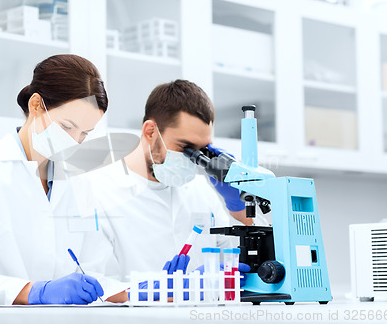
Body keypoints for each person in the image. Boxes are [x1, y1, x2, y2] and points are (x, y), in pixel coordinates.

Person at [0, 54, 125, 307]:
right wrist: (38, 291)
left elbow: (92, 276)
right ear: (36, 105)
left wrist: (143, 292)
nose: (74, 141)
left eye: (84, 134)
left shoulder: (81, 183)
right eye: (67, 127)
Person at [78, 80, 266, 301]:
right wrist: (159, 292)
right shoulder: (98, 190)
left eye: (201, 150)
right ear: (150, 132)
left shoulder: (201, 190)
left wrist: (239, 208)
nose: (193, 159)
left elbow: (242, 260)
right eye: (185, 148)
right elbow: (93, 286)